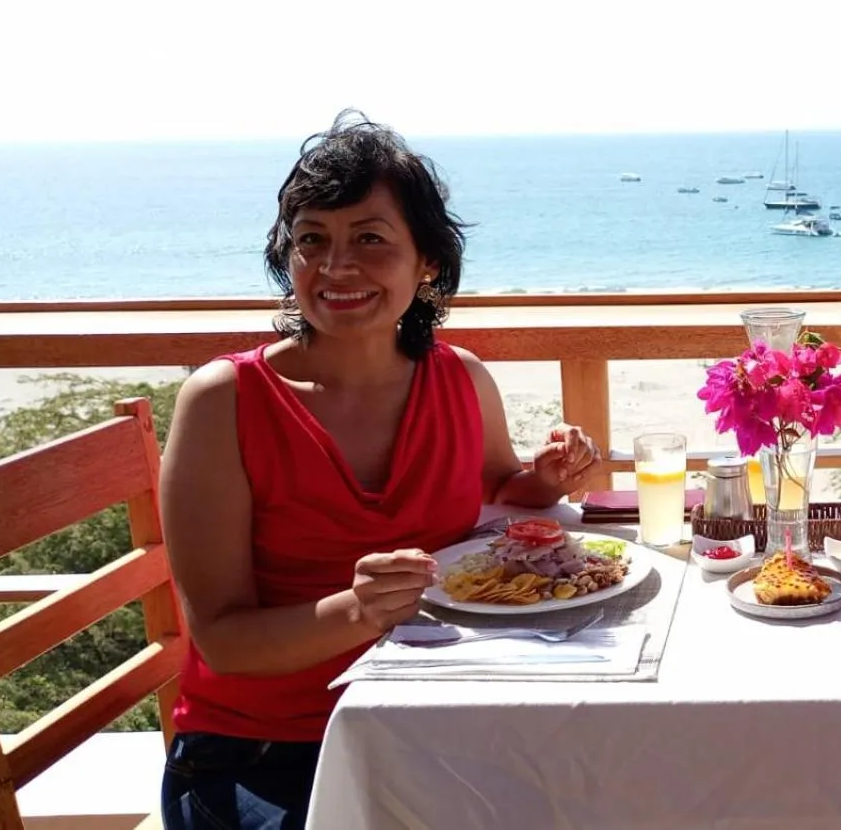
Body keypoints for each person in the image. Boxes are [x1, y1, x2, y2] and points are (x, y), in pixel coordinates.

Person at [157, 111, 602, 830]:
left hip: (440, 720)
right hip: (267, 749)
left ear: (427, 260)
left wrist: (544, 479)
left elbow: (500, 484)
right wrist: (357, 609)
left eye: (369, 239)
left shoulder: (460, 379)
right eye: (311, 241)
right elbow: (222, 639)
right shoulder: (224, 401)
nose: (336, 268)